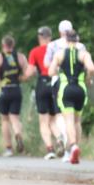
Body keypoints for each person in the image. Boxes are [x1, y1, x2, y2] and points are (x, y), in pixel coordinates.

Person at [48, 30, 94, 164]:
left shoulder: (60, 54)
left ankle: (73, 146)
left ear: (66, 40)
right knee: (77, 121)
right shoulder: (84, 54)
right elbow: (91, 69)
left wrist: (61, 71)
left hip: (66, 89)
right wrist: (88, 78)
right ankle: (74, 150)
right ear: (78, 40)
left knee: (68, 120)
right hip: (80, 89)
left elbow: (51, 71)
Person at [44, 20, 87, 151]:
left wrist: (61, 69)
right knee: (76, 119)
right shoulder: (81, 47)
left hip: (60, 82)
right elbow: (87, 66)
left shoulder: (52, 45)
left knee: (61, 115)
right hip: (79, 83)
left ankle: (63, 138)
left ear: (59, 32)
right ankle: (74, 146)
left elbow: (47, 65)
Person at [26, 27, 62, 159]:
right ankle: (59, 138)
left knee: (43, 120)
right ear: (50, 36)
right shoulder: (57, 49)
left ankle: (50, 149)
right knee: (53, 119)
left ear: (39, 37)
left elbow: (29, 72)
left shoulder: (35, 51)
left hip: (42, 83)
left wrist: (23, 77)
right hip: (56, 83)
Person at [0, 35, 30, 157]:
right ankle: (18, 133)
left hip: (3, 90)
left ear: (3, 45)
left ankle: (8, 148)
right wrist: (21, 78)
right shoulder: (20, 57)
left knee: (4, 119)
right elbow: (28, 73)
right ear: (13, 45)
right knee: (14, 117)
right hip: (16, 89)